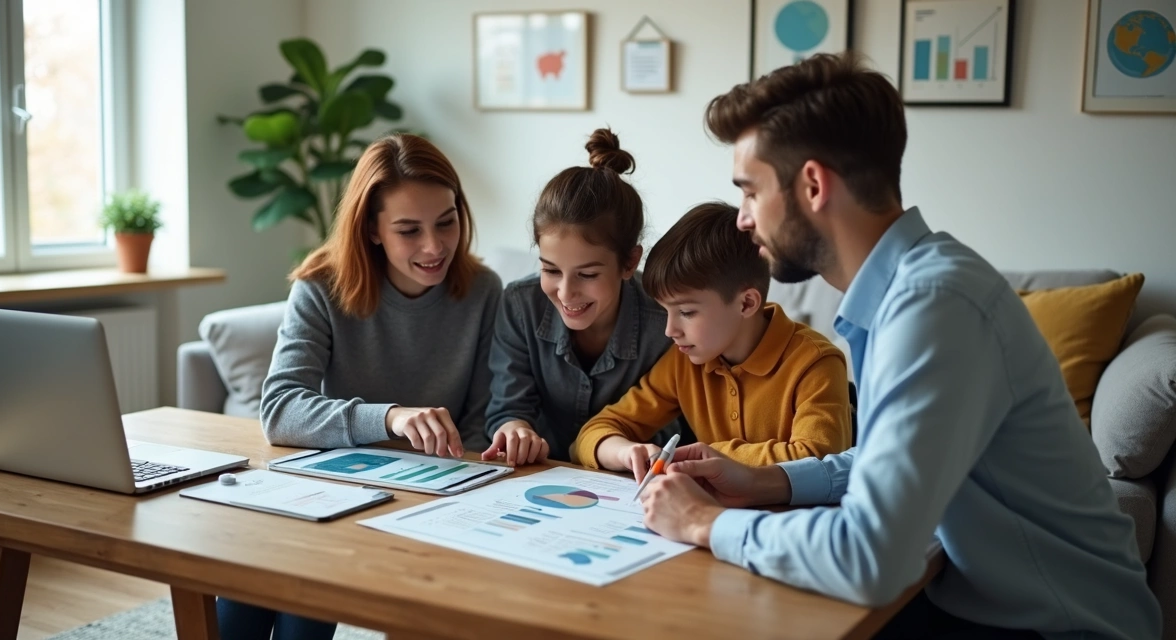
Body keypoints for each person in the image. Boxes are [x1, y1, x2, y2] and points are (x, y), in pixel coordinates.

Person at [638, 52, 1160, 639]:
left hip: (1054, 626)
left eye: (750, 192)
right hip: (979, 602)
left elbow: (870, 559)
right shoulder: (904, 290)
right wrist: (767, 481)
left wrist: (704, 523)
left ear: (812, 185)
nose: (741, 220)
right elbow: (890, 461)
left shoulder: (934, 305)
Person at [219, 134, 502, 640]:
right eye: (408, 230)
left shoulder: (482, 292)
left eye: (446, 221)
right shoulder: (321, 287)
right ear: (372, 229)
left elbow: (480, 425)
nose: (434, 246)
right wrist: (391, 416)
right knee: (246, 591)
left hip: (426, 499)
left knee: (303, 616)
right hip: (327, 490)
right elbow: (280, 411)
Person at [573, 201, 850, 476]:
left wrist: (708, 457)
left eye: (686, 312)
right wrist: (624, 451)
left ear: (746, 304)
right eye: (665, 311)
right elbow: (588, 436)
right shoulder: (684, 362)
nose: (670, 330)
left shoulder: (816, 363)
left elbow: (819, 460)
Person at [483, 128, 686, 465]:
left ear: (629, 262)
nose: (565, 292)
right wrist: (515, 429)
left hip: (629, 483)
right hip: (539, 478)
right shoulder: (520, 304)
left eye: (588, 274)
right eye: (550, 270)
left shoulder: (666, 320)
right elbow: (508, 407)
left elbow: (672, 427)